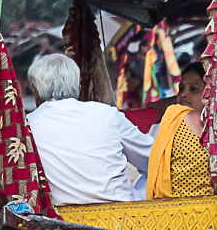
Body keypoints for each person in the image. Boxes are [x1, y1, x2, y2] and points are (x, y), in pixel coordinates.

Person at [25, 53, 156, 206]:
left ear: (35, 91)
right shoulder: (107, 113)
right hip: (121, 210)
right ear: (79, 88)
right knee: (158, 166)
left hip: (58, 213)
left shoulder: (27, 124)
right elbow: (152, 158)